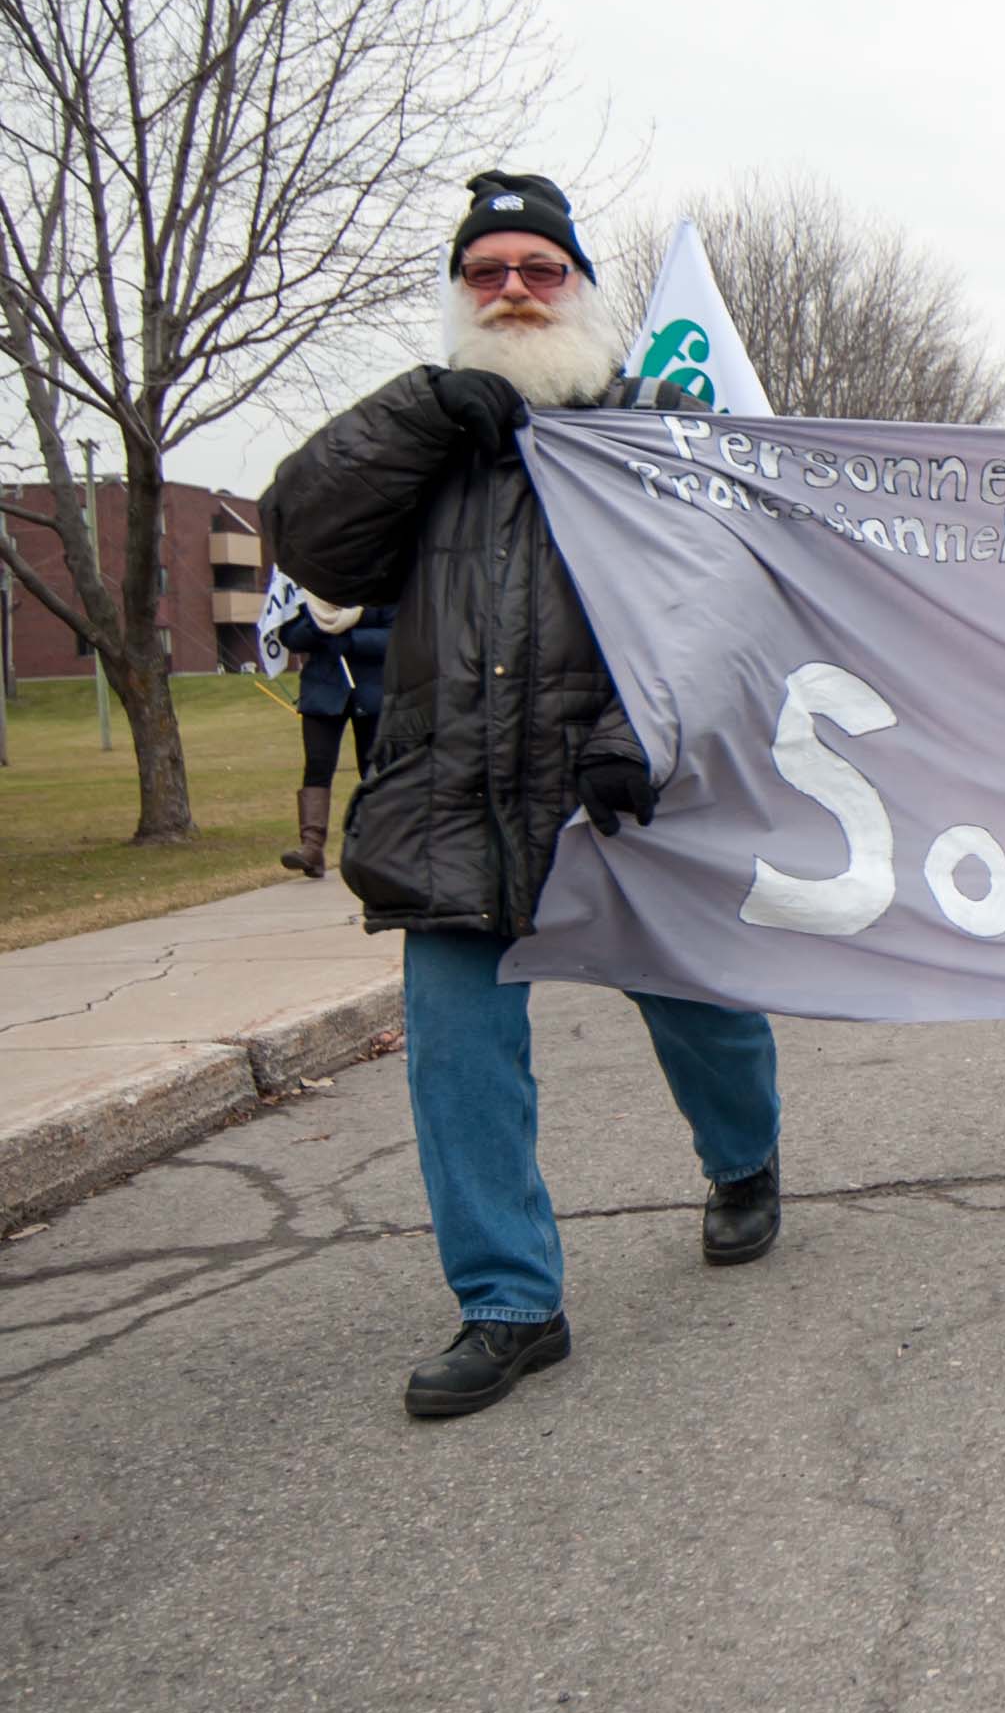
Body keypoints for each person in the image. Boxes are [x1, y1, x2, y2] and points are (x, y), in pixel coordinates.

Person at [261, 171, 786, 1420]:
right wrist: (420, 410)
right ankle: (509, 1301)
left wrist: (640, 732)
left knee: (700, 1010)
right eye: (485, 272)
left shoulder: (655, 423)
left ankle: (745, 1158)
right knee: (458, 1057)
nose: (512, 292)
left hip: (615, 790)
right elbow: (307, 535)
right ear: (459, 292)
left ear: (582, 289)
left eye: (539, 270)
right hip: (448, 798)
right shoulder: (421, 440)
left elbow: (722, 602)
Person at [273, 591, 395, 878]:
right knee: (317, 765)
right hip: (322, 691)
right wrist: (320, 626)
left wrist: (351, 640)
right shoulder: (312, 592)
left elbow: (395, 635)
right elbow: (290, 636)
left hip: (372, 692)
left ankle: (379, 845)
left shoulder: (378, 585)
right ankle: (311, 847)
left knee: (373, 767)